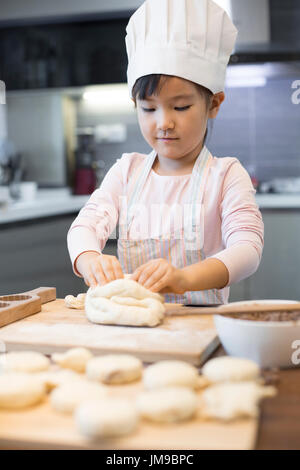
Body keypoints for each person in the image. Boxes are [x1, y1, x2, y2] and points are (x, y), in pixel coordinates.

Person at [67, 0, 264, 305]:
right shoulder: (126, 172)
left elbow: (247, 250)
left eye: (181, 107)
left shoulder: (225, 176)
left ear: (214, 104)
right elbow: (85, 225)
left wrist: (184, 279)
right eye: (148, 109)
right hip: (133, 327)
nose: (164, 123)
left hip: (202, 328)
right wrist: (89, 257)